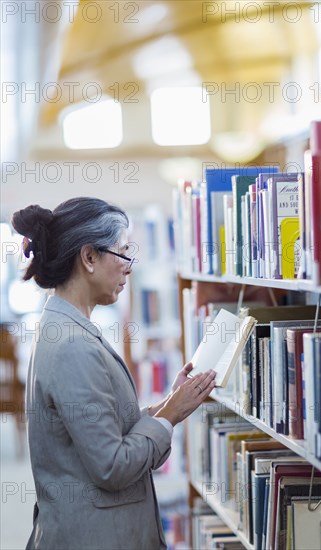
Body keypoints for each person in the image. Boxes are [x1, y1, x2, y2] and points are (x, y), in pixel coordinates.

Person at [11, 197, 216, 550]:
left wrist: (169, 404)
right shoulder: (73, 344)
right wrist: (169, 416)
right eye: (122, 253)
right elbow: (112, 466)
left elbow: (102, 431)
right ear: (89, 257)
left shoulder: (64, 326)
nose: (128, 267)